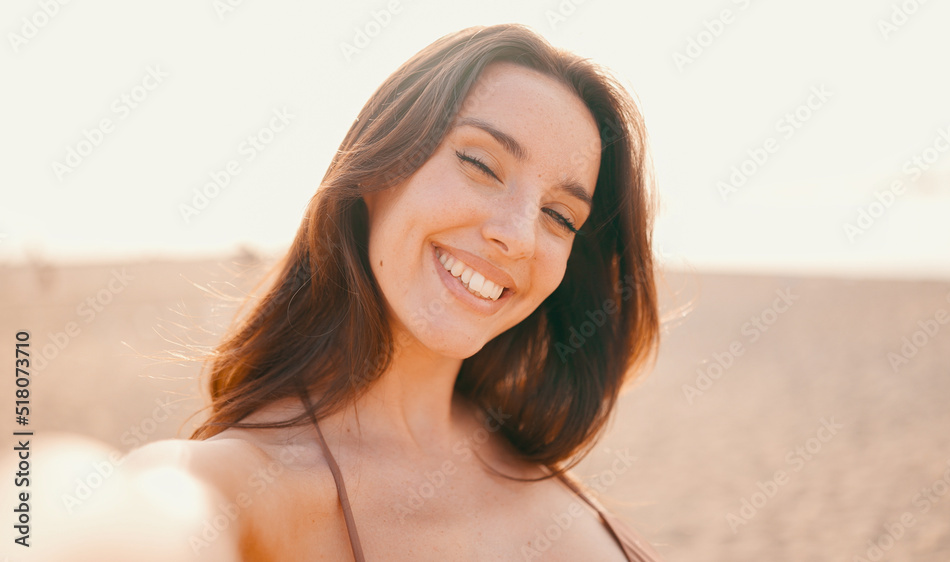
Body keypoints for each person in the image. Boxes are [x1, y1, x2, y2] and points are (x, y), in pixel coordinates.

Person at [131, 23, 663, 561]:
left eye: (558, 215)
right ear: (379, 166)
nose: (520, 236)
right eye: (480, 164)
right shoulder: (231, 488)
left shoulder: (540, 472)